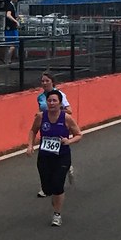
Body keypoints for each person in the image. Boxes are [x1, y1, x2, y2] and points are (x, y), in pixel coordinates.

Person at [27, 88, 83, 227]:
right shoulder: (41, 117)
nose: (51, 103)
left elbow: (79, 135)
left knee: (58, 186)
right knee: (47, 189)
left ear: (60, 103)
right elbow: (33, 131)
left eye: (54, 101)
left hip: (62, 156)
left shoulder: (66, 118)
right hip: (45, 156)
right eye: (49, 101)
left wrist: (68, 141)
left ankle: (57, 214)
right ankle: (55, 195)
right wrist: (30, 146)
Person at [36, 71, 73, 195]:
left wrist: (57, 108)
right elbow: (41, 109)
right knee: (46, 158)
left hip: (60, 125)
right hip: (47, 126)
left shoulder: (60, 95)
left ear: (52, 82)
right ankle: (46, 186)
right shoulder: (40, 97)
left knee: (60, 152)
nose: (45, 83)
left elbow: (70, 111)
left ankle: (66, 167)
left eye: (47, 80)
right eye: (43, 81)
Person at [3, 0, 20, 64]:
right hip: (11, 27)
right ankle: (7, 59)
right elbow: (8, 15)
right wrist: (15, 21)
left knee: (11, 44)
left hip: (11, 27)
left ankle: (7, 59)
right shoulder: (10, 6)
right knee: (13, 44)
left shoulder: (12, 5)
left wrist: (16, 18)